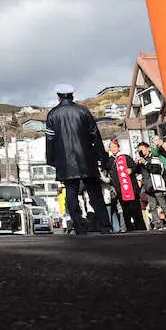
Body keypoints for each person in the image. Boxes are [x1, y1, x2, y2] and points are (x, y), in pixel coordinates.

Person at [44, 83, 111, 235]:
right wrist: (102, 157)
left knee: (71, 192)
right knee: (94, 193)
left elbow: (50, 140)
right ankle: (105, 225)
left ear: (58, 96)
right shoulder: (83, 111)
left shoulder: (53, 114)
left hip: (65, 161)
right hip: (87, 158)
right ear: (72, 95)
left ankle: (79, 225)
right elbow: (96, 135)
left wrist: (51, 159)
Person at [106, 139, 145, 231]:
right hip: (120, 190)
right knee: (125, 211)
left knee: (135, 209)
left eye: (115, 147)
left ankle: (141, 228)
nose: (113, 149)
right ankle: (129, 229)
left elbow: (135, 167)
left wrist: (131, 170)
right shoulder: (110, 161)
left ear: (118, 148)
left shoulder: (126, 157)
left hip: (131, 188)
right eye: (111, 147)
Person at [136, 141, 166, 230]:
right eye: (139, 150)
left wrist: (145, 163)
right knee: (152, 206)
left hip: (156, 185)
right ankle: (157, 224)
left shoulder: (154, 158)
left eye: (142, 149)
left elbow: (156, 169)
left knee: (162, 204)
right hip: (148, 186)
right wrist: (137, 164)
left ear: (148, 149)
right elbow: (139, 172)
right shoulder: (141, 160)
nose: (141, 152)